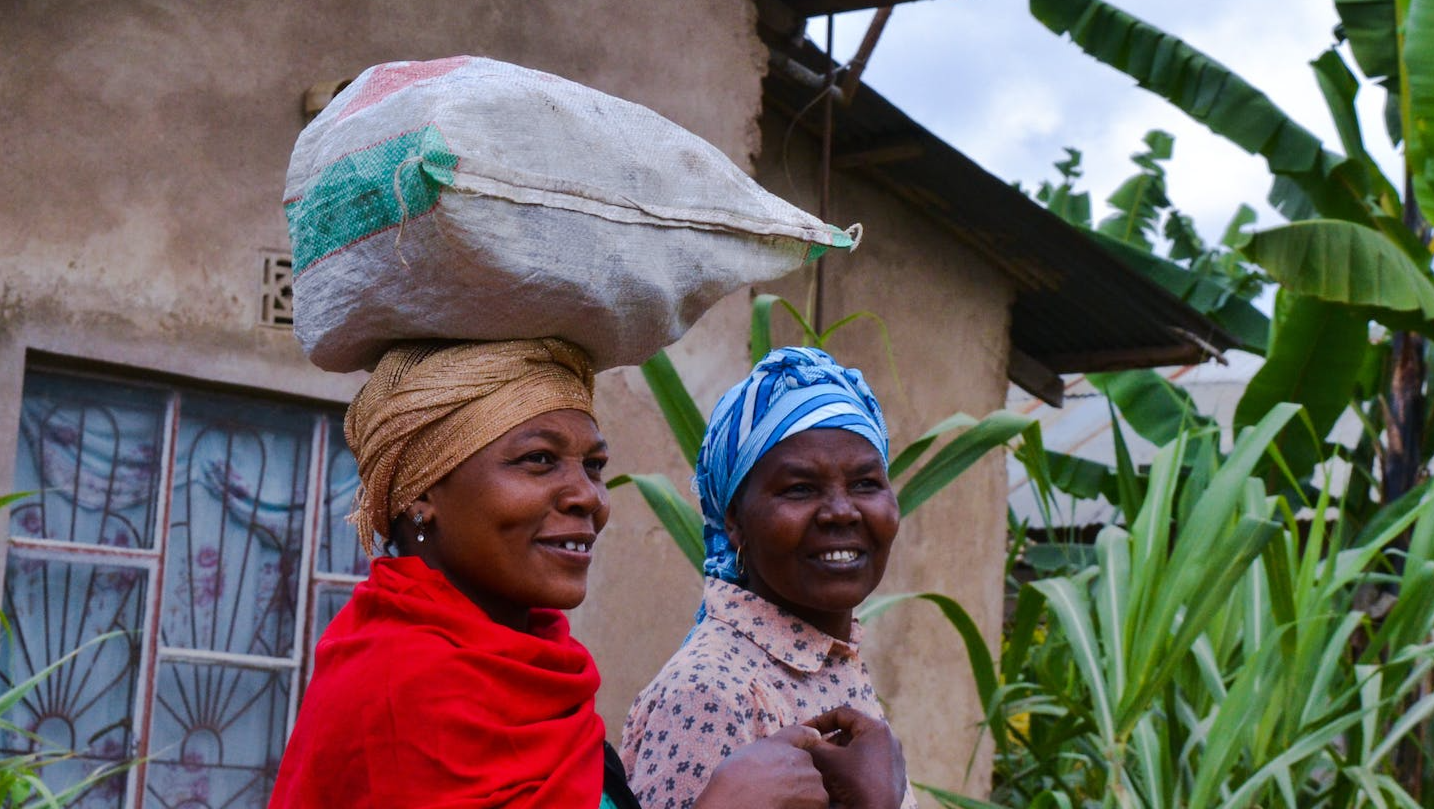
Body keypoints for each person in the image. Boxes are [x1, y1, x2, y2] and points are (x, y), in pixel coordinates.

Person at [267, 338, 906, 809]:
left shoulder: (538, 677)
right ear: (420, 494)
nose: (589, 498)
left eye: (593, 467)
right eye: (539, 460)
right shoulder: (402, 688)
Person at [622, 346, 920, 809]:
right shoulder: (713, 693)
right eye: (800, 488)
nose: (842, 511)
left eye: (865, 483)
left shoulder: (827, 659)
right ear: (735, 521)